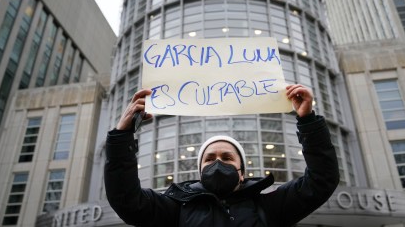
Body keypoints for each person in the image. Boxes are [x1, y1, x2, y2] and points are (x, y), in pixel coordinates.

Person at [104, 84, 339, 226]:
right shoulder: (175, 210)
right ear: (199, 172)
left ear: (242, 173)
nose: (217, 163)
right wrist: (122, 135)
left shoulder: (270, 208)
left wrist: (308, 122)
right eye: (209, 158)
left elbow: (321, 180)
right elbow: (126, 199)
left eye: (227, 158)